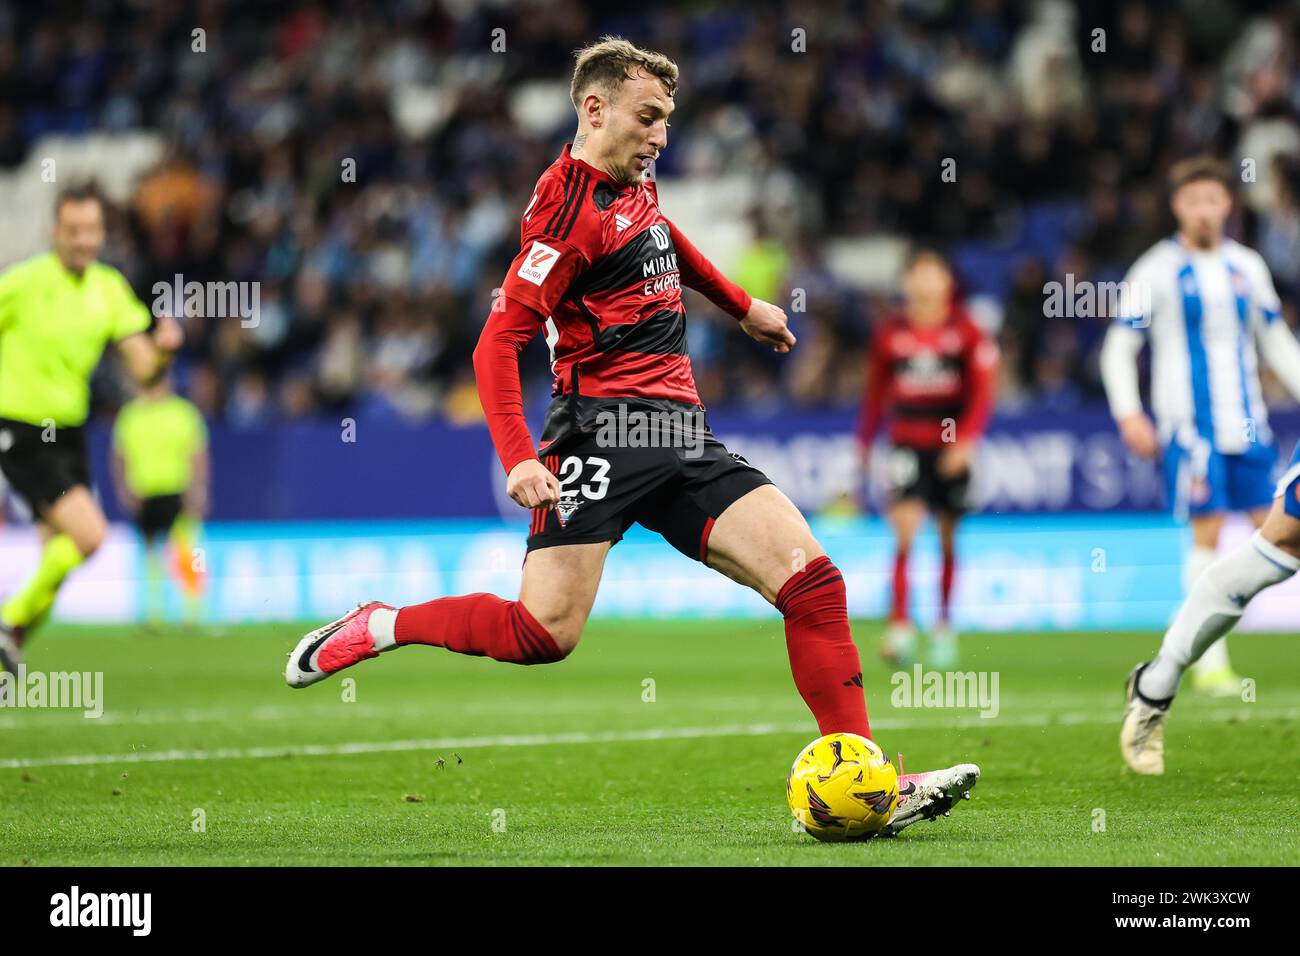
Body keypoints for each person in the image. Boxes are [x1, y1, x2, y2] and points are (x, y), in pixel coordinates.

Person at [283, 37, 978, 834]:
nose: (661, 136)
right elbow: (496, 342)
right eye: (649, 118)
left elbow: (662, 239)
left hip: (680, 433)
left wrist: (740, 304)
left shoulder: (634, 183)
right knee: (542, 634)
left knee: (811, 581)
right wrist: (518, 458)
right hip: (597, 441)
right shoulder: (565, 212)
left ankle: (865, 783)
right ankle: (383, 624)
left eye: (667, 121)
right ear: (595, 109)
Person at [1100, 155, 1300, 696]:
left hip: (1250, 426)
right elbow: (1120, 347)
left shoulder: (1248, 267)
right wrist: (1127, 410)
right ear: (1177, 208)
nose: (1205, 211)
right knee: (1207, 534)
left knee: (1283, 534)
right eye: (1194, 202)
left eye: (1213, 200)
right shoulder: (1155, 269)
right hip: (1192, 432)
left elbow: (1275, 340)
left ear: (1227, 204)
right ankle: (1209, 665)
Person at [0, 183, 182, 678]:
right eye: (73, 230)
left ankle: (10, 639)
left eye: (92, 231)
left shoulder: (109, 288)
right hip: (17, 428)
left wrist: (164, 350)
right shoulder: (22, 283)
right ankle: (7, 619)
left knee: (51, 569)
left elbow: (144, 371)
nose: (83, 241)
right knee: (91, 535)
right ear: (54, 231)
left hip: (69, 435)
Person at [1121, 440, 1300, 774]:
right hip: (1197, 434)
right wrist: (1127, 408)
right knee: (1283, 540)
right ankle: (1155, 687)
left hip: (1245, 431)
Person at [857, 248, 996, 669]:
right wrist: (864, 444)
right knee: (904, 533)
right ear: (907, 282)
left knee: (948, 537)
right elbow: (876, 393)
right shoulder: (890, 333)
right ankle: (899, 627)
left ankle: (942, 626)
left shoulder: (968, 331)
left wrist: (966, 442)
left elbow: (982, 394)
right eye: (917, 274)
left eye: (932, 274)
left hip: (951, 449)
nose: (924, 283)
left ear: (947, 283)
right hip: (906, 444)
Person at [111, 374, 210, 626]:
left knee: (188, 553)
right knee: (152, 556)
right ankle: (155, 615)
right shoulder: (131, 415)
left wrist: (198, 488)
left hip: (178, 489)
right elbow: (119, 455)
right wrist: (124, 488)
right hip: (145, 492)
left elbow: (197, 452)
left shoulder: (182, 412)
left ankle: (193, 613)